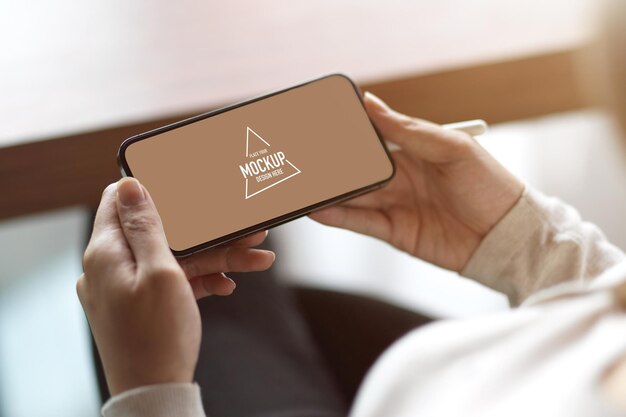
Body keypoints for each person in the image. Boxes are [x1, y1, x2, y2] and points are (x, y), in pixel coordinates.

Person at [77, 1, 626, 415]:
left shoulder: (428, 386)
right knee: (259, 293)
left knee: (192, 275)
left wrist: (148, 387)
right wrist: (527, 242)